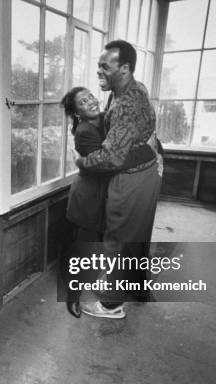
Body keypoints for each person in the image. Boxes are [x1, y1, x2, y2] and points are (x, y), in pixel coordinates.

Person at [75, 40, 162, 318]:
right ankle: (136, 287)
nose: (99, 72)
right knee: (137, 236)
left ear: (124, 68)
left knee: (119, 239)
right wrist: (147, 148)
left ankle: (111, 304)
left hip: (132, 179)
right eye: (99, 65)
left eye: (105, 66)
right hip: (148, 173)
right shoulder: (135, 87)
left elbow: (111, 158)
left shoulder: (125, 103)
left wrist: (80, 161)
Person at [60, 86, 156, 318]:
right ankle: (73, 298)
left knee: (109, 247)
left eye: (91, 96)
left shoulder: (107, 117)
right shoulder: (84, 131)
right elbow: (107, 165)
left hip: (108, 194)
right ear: (77, 113)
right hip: (89, 200)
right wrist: (145, 153)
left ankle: (115, 287)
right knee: (85, 251)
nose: (91, 102)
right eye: (83, 102)